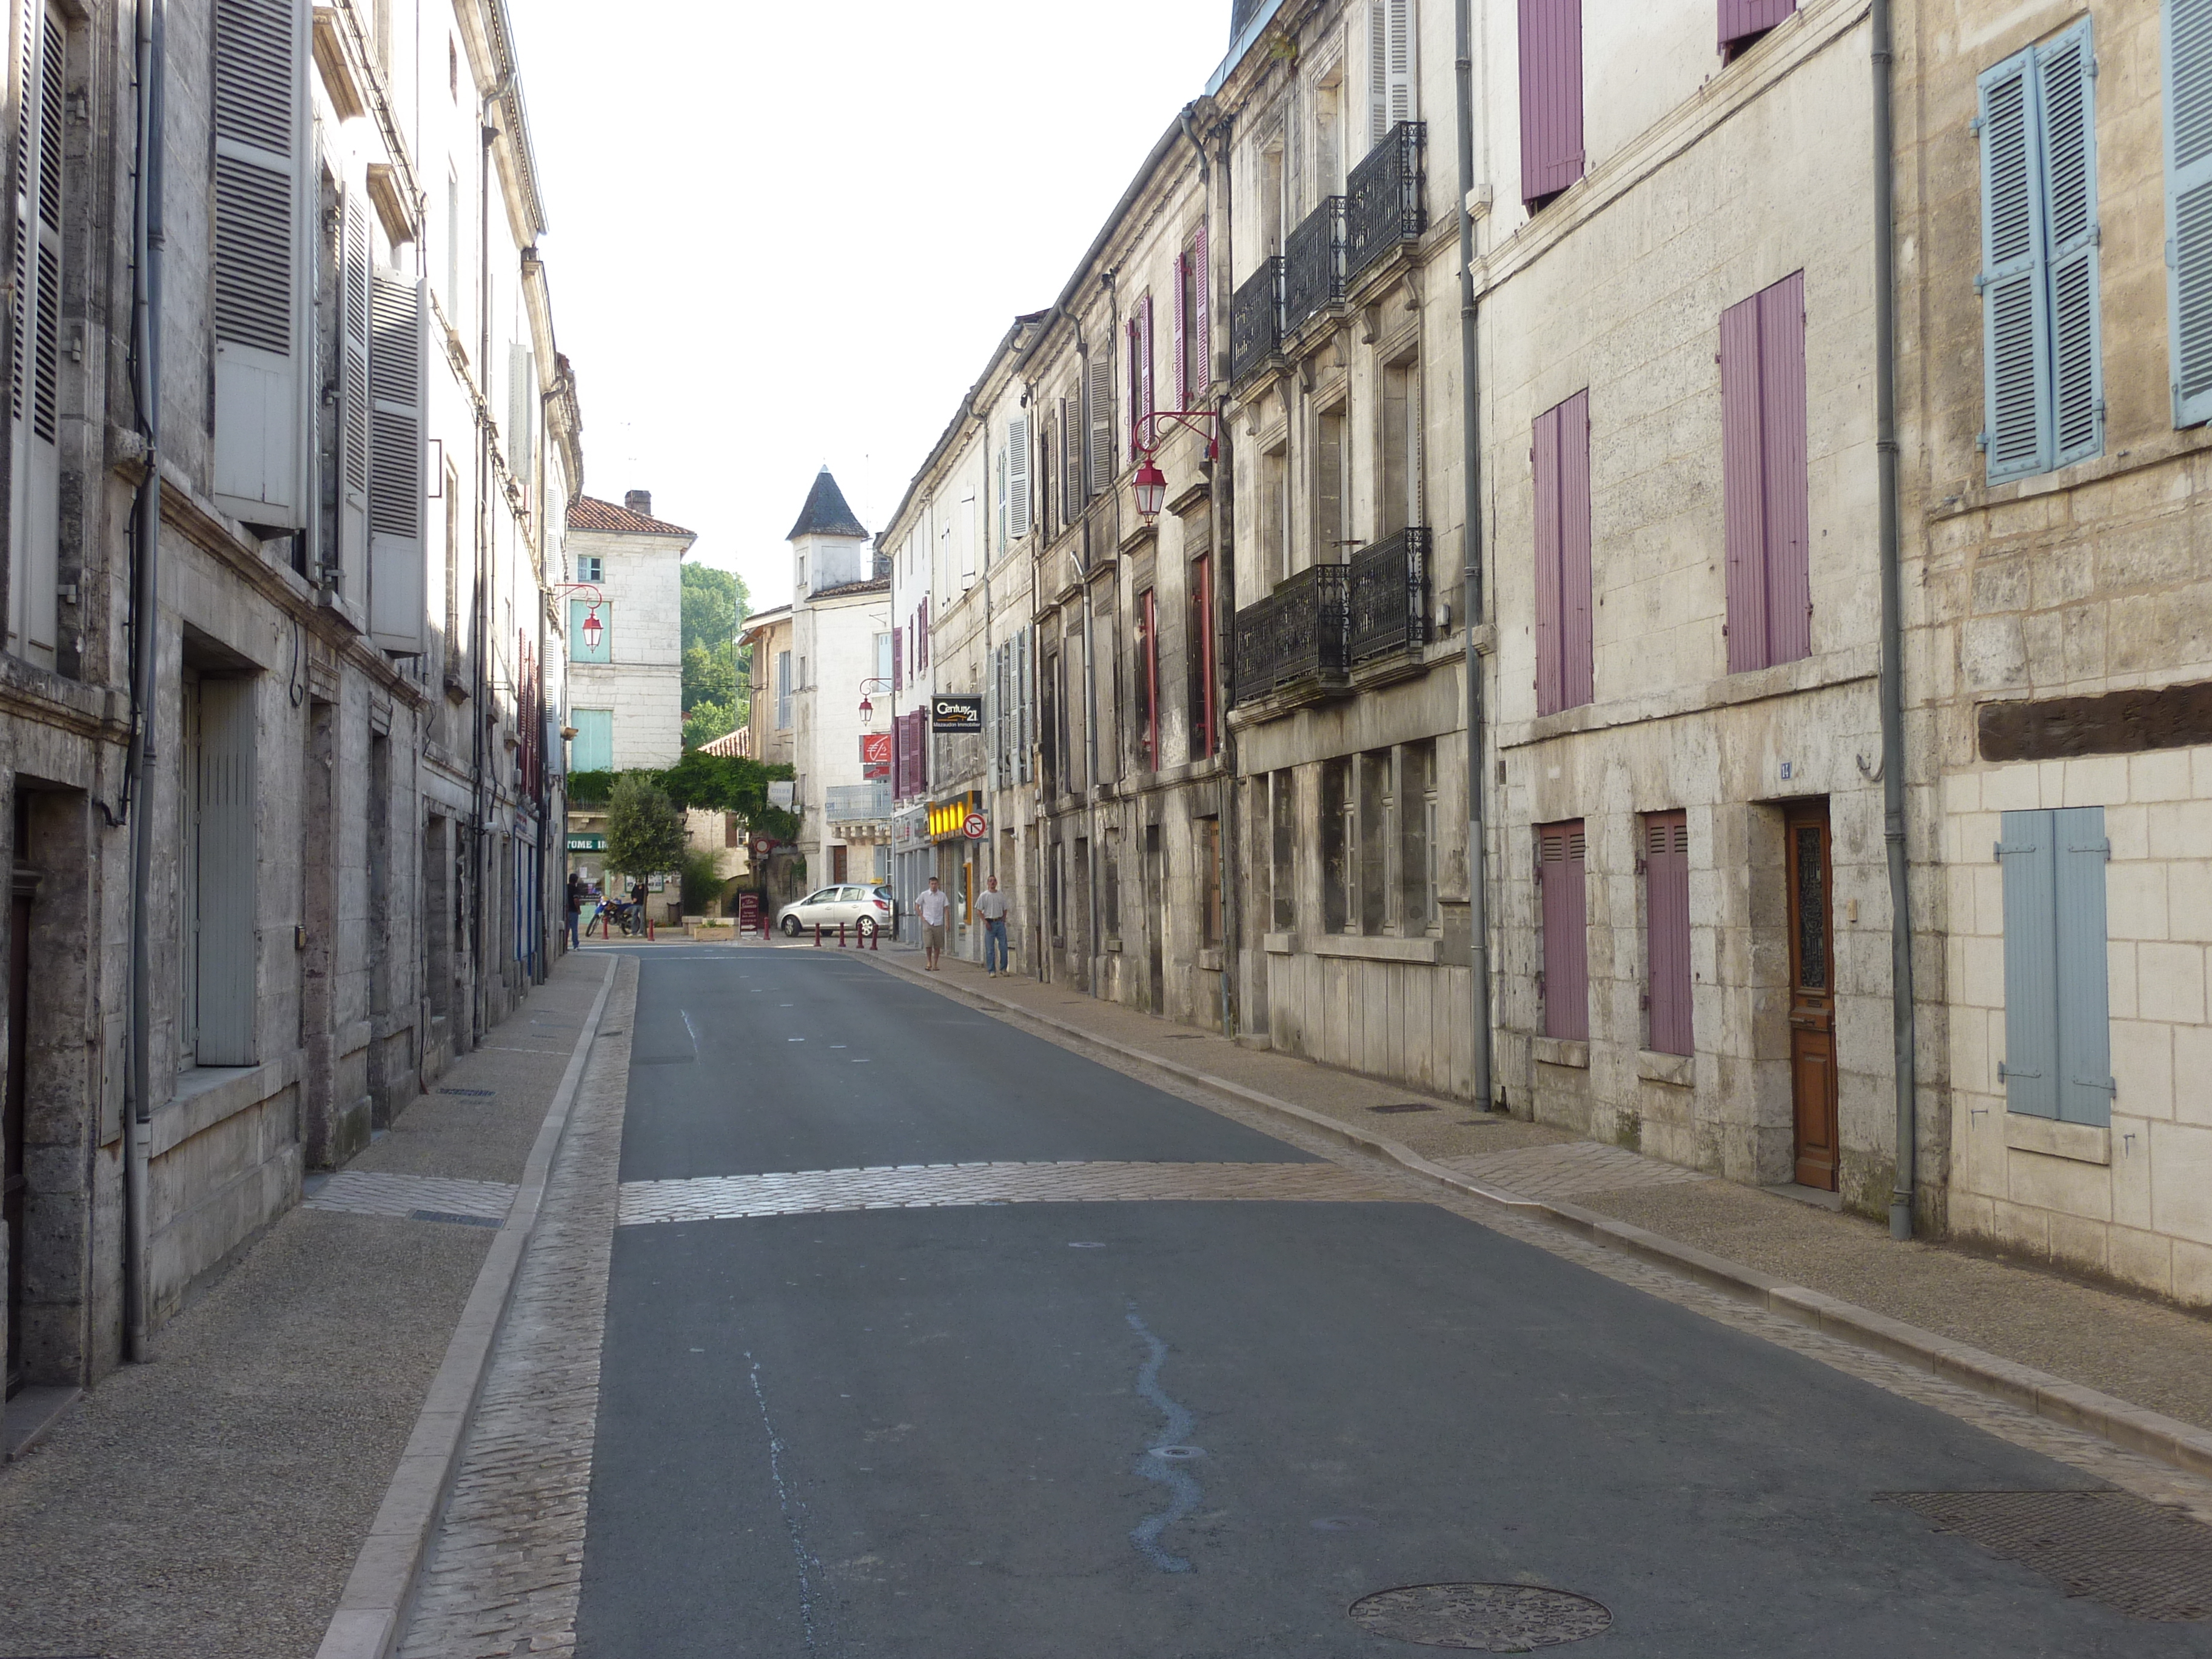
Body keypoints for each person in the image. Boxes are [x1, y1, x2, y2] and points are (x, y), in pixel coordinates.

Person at [915, 875, 951, 972]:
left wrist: (947, 923)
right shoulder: (924, 894)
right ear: (929, 884)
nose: (934, 886)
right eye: (932, 884)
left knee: (937, 945)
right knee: (928, 944)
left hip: (938, 922)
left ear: (938, 885)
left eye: (935, 884)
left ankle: (935, 963)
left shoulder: (942, 896)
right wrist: (922, 917)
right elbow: (917, 906)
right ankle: (929, 962)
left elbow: (946, 909)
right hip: (928, 921)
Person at [976, 874, 1010, 976]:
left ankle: (1003, 969)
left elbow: (1005, 908)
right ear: (987, 883)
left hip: (999, 923)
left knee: (1004, 947)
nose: (992, 883)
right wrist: (985, 922)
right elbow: (979, 911)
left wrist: (1003, 920)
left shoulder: (1001, 895)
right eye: (990, 881)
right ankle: (992, 970)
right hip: (989, 923)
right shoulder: (984, 896)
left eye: (994, 881)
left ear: (997, 883)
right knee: (990, 949)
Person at [565, 871, 584, 951]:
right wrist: (578, 909)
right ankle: (575, 945)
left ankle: (564, 944)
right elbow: (576, 900)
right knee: (574, 929)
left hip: (566, 910)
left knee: (566, 929)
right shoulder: (575, 890)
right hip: (573, 911)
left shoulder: (565, 888)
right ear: (576, 881)